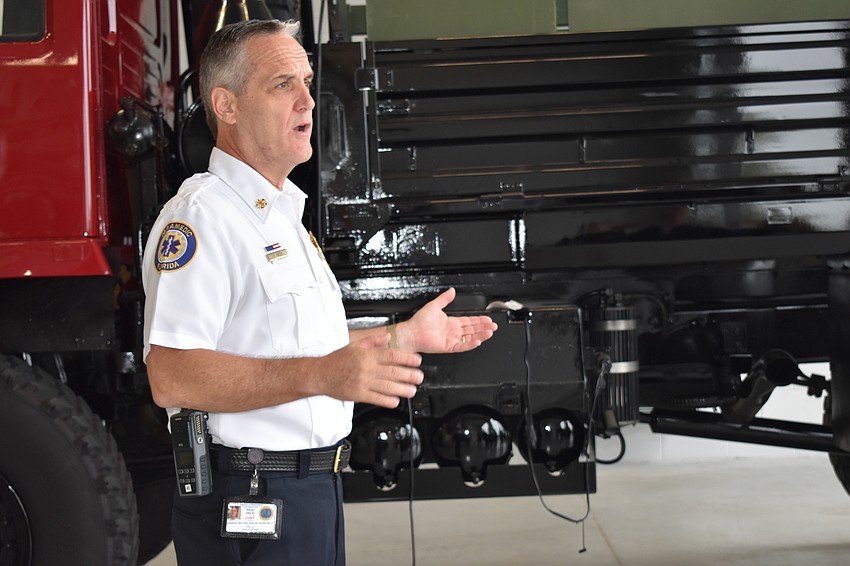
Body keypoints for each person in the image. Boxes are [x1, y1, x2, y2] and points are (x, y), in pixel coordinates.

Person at [141, 18, 497, 566]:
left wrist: (400, 336)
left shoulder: (282, 217)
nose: (308, 100)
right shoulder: (201, 218)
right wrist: (321, 376)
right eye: (282, 84)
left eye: (307, 81)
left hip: (311, 491)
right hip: (249, 498)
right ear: (227, 105)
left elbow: (296, 342)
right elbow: (171, 375)